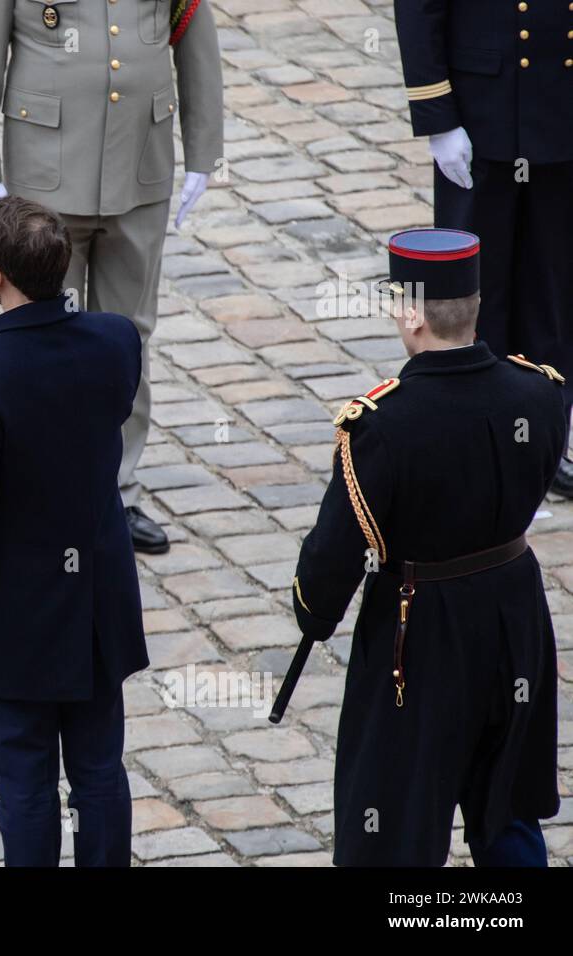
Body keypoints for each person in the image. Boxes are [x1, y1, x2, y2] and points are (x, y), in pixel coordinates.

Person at [291, 228, 565, 867]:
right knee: (508, 810)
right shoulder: (541, 394)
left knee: (394, 822)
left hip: (419, 641)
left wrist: (313, 614)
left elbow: (331, 565)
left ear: (412, 313)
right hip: (514, 617)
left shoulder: (383, 426)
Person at [0, 196, 146, 867]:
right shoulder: (116, 340)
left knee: (25, 784)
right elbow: (58, 390)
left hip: (18, 615)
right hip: (98, 600)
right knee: (101, 771)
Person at [0, 0, 225, 554]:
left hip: (142, 163)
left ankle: (117, 489)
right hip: (44, 172)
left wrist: (204, 147)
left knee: (130, 334)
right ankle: (41, 485)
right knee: (38, 337)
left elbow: (193, 30)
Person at [393, 0, 573, 496]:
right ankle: (473, 440)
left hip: (560, 108)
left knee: (553, 295)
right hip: (481, 108)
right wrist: (437, 115)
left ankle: (543, 440)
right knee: (473, 297)